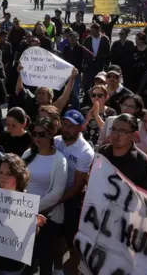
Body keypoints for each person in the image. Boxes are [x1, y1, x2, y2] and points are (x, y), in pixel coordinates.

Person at [21, 118, 68, 275]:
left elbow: (56, 194)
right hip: (24, 215)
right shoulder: (28, 153)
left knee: (45, 260)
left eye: (42, 134)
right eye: (35, 134)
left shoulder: (59, 160)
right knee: (25, 261)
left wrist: (32, 207)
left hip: (48, 217)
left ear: (51, 135)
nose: (38, 139)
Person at [53, 110, 94, 275]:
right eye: (64, 124)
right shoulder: (56, 141)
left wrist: (57, 200)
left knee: (72, 239)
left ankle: (72, 269)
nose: (66, 128)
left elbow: (78, 184)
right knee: (55, 237)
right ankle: (56, 267)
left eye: (71, 126)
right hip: (54, 194)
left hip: (71, 198)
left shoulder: (85, 152)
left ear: (80, 129)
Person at [98, 114, 147, 192]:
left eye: (122, 131)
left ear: (134, 135)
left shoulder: (143, 162)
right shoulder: (102, 152)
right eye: (113, 129)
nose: (116, 135)